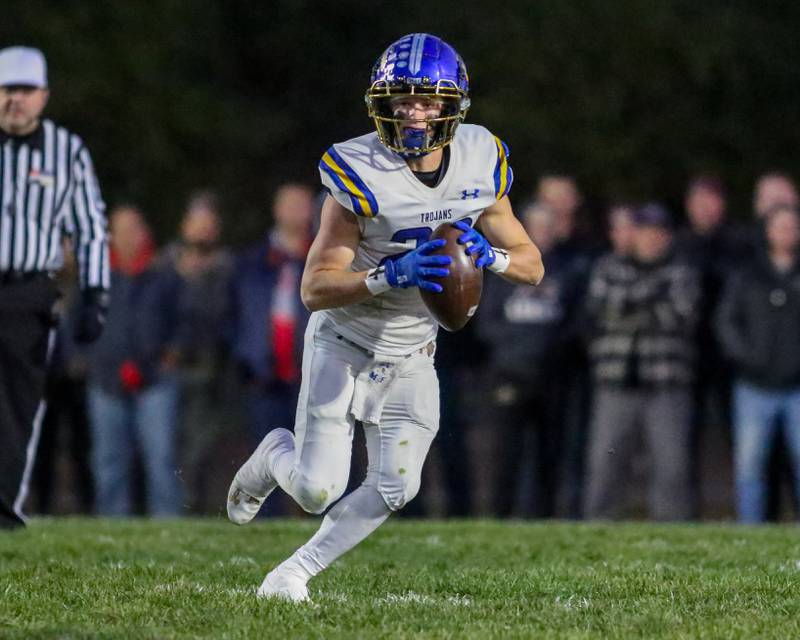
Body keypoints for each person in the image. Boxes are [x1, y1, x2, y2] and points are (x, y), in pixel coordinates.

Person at [226, 33, 544, 601]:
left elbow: (531, 266)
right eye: (400, 100)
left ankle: (293, 572)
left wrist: (487, 255)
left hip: (414, 348)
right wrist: (385, 276)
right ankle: (275, 454)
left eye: (426, 99)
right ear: (382, 104)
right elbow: (314, 288)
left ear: (454, 104)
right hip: (346, 338)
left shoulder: (479, 156)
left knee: (398, 485)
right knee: (316, 490)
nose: (413, 111)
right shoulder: (358, 169)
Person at [0, 47, 109, 529]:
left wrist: (96, 293)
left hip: (27, 293)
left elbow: (90, 227)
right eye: (6, 90)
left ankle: (3, 507)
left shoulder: (68, 151)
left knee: (17, 405)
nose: (14, 100)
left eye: (24, 90)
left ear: (42, 95)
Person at [583, 203, 701, 521]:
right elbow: (601, 309)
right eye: (644, 232)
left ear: (667, 237)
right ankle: (597, 529)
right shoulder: (608, 267)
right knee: (604, 464)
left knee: (671, 467)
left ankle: (672, 533)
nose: (650, 239)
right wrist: (651, 299)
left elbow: (678, 316)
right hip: (614, 383)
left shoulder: (683, 271)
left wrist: (629, 303)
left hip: (666, 386)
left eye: (657, 233)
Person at [478, 203, 585, 517]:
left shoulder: (567, 269)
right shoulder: (502, 268)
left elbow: (576, 321)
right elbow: (486, 323)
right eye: (536, 227)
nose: (543, 233)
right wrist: (520, 348)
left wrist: (550, 347)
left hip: (553, 375)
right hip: (510, 373)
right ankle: (500, 517)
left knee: (550, 452)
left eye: (548, 227)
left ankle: (544, 517)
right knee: (506, 452)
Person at [86, 205, 182, 516]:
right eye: (121, 229)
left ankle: (168, 526)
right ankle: (112, 528)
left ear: (145, 234)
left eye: (134, 228)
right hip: (106, 381)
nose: (128, 236)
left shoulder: (164, 277)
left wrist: (175, 351)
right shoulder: (95, 278)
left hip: (156, 380)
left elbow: (184, 320)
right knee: (109, 460)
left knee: (161, 457)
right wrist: (86, 359)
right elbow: (74, 325)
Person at [715, 204, 800, 523]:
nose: (788, 232)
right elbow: (726, 321)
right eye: (781, 226)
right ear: (767, 231)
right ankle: (749, 532)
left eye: (793, 226)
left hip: (797, 387)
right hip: (754, 386)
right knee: (750, 467)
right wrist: (747, 358)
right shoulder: (747, 274)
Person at [159, 191, 234, 513]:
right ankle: (174, 510)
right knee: (168, 446)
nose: (203, 230)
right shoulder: (165, 262)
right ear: (183, 225)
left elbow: (225, 315)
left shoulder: (227, 267)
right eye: (197, 223)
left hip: (211, 370)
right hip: (167, 367)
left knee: (203, 446)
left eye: (209, 224)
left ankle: (198, 507)